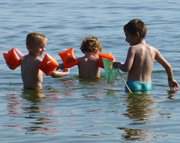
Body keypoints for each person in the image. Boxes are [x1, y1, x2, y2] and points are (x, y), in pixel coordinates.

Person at [113, 18, 179, 93]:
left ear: (136, 35)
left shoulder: (133, 49)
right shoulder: (154, 50)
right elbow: (168, 66)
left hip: (133, 85)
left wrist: (118, 64)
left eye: (127, 36)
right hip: (147, 86)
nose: (126, 39)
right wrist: (171, 80)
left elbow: (126, 68)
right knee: (146, 104)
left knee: (133, 104)